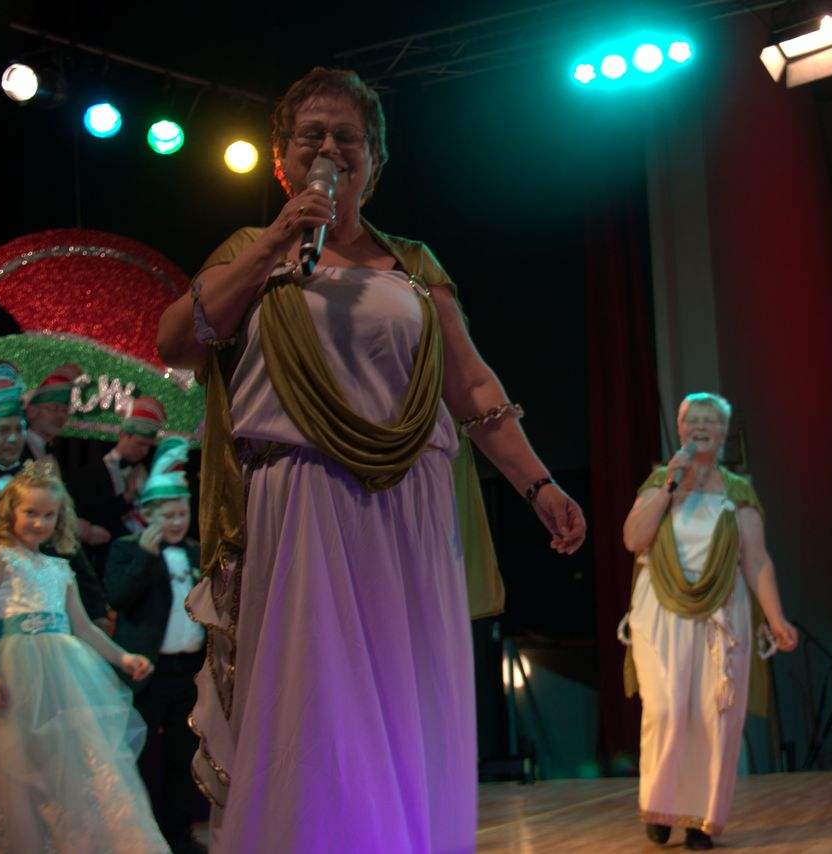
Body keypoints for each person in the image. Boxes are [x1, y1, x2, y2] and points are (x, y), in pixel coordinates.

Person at [155, 67, 586, 852]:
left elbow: (473, 387)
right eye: (311, 136)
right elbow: (178, 341)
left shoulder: (415, 267)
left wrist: (539, 484)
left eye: (347, 137)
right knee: (311, 705)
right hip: (299, 501)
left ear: (375, 161)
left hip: (409, 510)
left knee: (403, 698)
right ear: (281, 159)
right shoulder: (251, 252)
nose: (329, 149)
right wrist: (277, 242)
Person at [620, 392, 799, 850]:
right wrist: (670, 486)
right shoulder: (660, 480)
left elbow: (756, 560)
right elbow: (634, 539)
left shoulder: (738, 490)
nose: (701, 426)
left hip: (723, 612)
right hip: (661, 610)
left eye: (711, 421)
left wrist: (776, 618)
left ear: (723, 433)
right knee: (666, 709)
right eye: (692, 419)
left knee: (713, 716)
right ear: (680, 429)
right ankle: (660, 806)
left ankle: (702, 819)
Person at [0, 460, 166, 851]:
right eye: (30, 512)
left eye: (49, 515)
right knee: (19, 765)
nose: (39, 522)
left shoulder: (60, 568)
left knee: (75, 762)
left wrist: (123, 658)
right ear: (10, 511)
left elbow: (84, 628)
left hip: (66, 674)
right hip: (16, 670)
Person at [107, 438, 207, 854]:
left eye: (182, 513)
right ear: (148, 515)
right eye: (168, 515)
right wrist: (146, 557)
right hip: (148, 671)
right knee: (146, 752)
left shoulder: (196, 553)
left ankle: (180, 832)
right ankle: (144, 832)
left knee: (184, 753)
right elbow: (119, 597)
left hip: (187, 672)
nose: (177, 522)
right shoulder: (126, 549)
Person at [0, 364, 110, 627]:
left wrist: (97, 610)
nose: (13, 439)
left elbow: (67, 542)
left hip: (44, 619)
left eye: (19, 429)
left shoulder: (37, 479)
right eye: (3, 430)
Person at [67, 395, 163, 577]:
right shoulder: (91, 473)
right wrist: (127, 497)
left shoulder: (144, 472)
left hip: (137, 557)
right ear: (124, 435)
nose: (144, 451)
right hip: (102, 561)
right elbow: (93, 515)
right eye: (140, 444)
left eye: (148, 447)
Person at [22, 362, 82, 464]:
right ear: (31, 411)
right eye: (54, 408)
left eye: (65, 410)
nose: (61, 416)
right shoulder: (14, 448)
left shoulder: (53, 454)